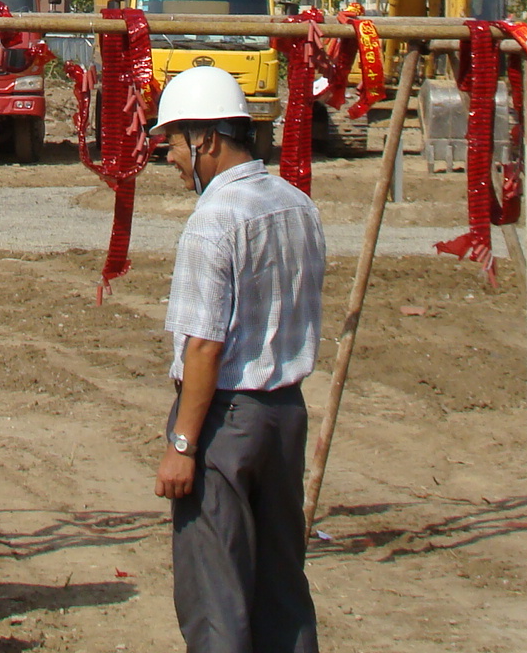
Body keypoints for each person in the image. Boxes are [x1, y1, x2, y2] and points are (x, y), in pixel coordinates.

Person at [152, 66, 326, 653]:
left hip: (225, 421)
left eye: (173, 143)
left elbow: (203, 346)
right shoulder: (297, 205)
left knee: (215, 595)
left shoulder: (213, 221)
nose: (171, 158)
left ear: (204, 140)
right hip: (285, 417)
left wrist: (182, 445)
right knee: (282, 585)